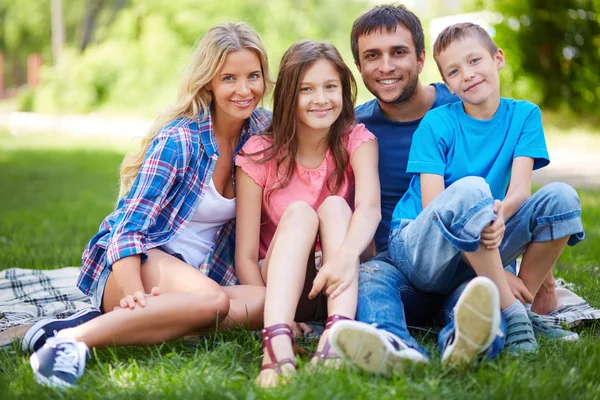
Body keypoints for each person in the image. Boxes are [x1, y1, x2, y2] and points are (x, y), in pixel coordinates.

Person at [329, 6, 581, 375]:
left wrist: (534, 280)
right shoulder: (352, 127)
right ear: (359, 65)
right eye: (372, 56)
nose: (385, 66)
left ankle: (477, 337)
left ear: (419, 60)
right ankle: (394, 344)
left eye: (398, 52)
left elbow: (521, 193)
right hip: (407, 259)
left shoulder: (465, 101)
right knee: (370, 277)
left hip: (479, 257)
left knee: (481, 297)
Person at [27, 22, 273, 389]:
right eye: (229, 78)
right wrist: (133, 294)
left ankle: (73, 325)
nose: (244, 90)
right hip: (137, 262)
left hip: (197, 275)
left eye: (253, 76)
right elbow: (127, 230)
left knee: (266, 303)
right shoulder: (180, 140)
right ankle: (71, 343)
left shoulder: (261, 131)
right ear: (209, 82)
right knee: (214, 304)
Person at [234, 40, 380, 387]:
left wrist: (343, 258)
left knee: (333, 205)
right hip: (283, 291)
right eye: (307, 89)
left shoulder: (356, 140)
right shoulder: (259, 153)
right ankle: (276, 343)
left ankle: (336, 339)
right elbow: (245, 256)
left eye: (331, 87)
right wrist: (266, 311)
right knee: (300, 213)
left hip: (342, 279)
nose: (321, 99)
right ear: (288, 96)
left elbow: (370, 208)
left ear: (343, 91)